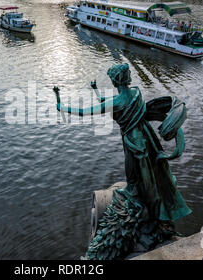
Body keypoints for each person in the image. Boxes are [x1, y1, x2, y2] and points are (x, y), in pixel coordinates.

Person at [53, 64, 192, 260]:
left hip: (135, 145)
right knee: (148, 175)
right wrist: (95, 90)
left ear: (115, 80)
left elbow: (87, 111)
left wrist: (62, 106)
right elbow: (106, 101)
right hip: (146, 136)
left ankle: (151, 210)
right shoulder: (135, 92)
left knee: (138, 178)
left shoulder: (119, 101)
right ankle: (151, 206)